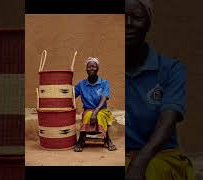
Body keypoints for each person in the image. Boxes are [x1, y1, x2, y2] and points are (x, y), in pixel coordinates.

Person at [125, 0, 196, 179]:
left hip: (159, 156)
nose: (127, 24)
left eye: (137, 18)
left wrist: (139, 163)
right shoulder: (105, 70)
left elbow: (167, 123)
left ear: (148, 23)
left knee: (153, 173)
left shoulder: (171, 70)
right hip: (119, 154)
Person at [74, 57, 117, 152]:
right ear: (86, 69)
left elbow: (104, 98)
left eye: (94, 66)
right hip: (88, 110)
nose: (91, 68)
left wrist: (95, 112)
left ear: (97, 68)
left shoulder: (104, 83)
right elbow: (72, 95)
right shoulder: (81, 84)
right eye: (89, 66)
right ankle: (80, 140)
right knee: (88, 115)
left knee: (100, 115)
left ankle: (108, 139)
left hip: (102, 110)